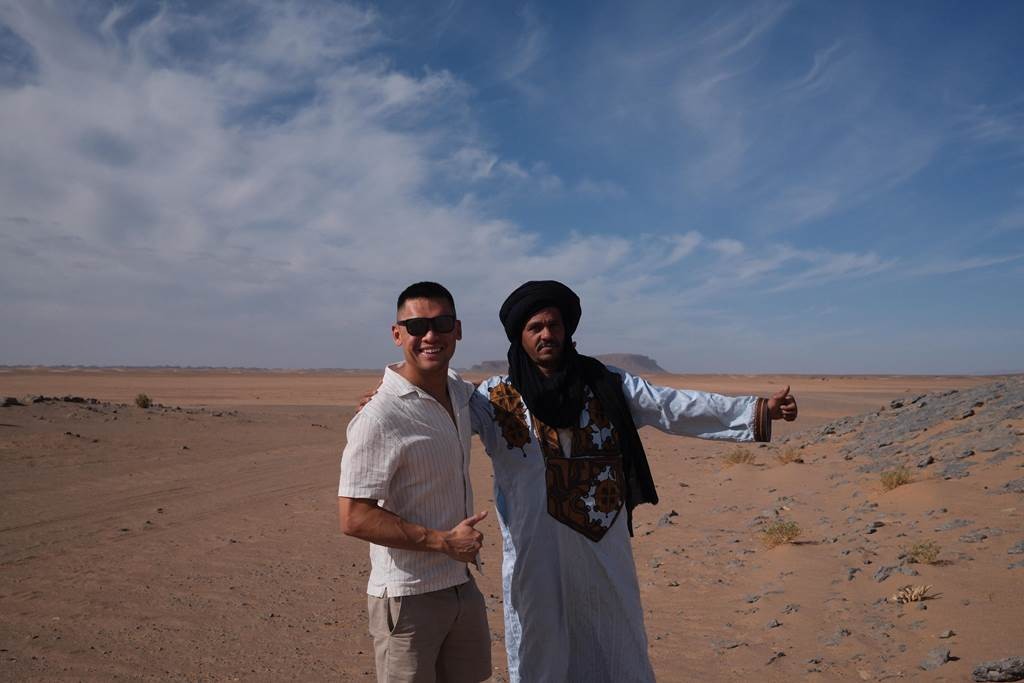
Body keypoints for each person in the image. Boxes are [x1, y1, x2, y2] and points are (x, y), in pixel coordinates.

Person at [468, 280, 798, 682]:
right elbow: (440, 420)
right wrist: (399, 394)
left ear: (567, 329)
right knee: (539, 645)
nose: (547, 335)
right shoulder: (493, 397)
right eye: (535, 327)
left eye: (553, 325)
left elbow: (671, 406)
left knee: (615, 640)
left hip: (601, 544)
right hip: (534, 552)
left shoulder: (608, 383)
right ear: (519, 336)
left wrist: (758, 410)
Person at [338, 281, 491, 683]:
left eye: (441, 323)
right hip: (406, 598)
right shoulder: (379, 417)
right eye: (417, 325)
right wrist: (444, 542)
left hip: (461, 585)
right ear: (397, 334)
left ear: (457, 329)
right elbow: (353, 517)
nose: (430, 335)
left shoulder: (461, 394)